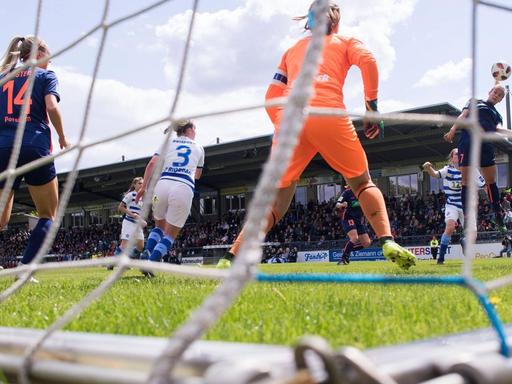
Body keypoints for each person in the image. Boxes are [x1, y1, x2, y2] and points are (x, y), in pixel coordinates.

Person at [216, 1, 416, 270]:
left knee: (277, 201)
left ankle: (230, 258)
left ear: (309, 21)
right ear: (336, 22)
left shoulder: (291, 51)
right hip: (327, 113)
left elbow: (271, 97)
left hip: (290, 119)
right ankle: (387, 240)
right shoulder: (345, 41)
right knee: (362, 182)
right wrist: (371, 108)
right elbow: (368, 60)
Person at [0, 36, 70, 281]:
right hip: (33, 146)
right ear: (40, 53)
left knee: (1, 219)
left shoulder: (3, 77)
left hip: (2, 148)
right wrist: (62, 136)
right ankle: (26, 270)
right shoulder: (45, 76)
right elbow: (51, 107)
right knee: (47, 215)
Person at [136, 120, 204, 276]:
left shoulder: (168, 142)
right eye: (195, 129)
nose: (196, 132)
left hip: (163, 184)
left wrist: (144, 187)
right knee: (170, 234)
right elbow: (198, 175)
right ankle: (151, 262)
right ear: (189, 130)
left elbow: (152, 163)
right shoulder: (199, 147)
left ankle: (146, 253)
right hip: (183, 186)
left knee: (159, 226)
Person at [444, 84, 507, 232]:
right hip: (468, 142)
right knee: (465, 182)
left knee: (491, 182)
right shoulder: (475, 102)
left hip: (485, 144)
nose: (496, 95)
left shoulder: (497, 115)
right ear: (490, 91)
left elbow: (496, 129)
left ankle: (497, 215)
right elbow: (463, 116)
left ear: (500, 100)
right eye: (495, 92)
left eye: (499, 96)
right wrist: (453, 129)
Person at [422, 149, 485, 264]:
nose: (459, 154)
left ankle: (464, 241)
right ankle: (440, 259)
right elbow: (435, 174)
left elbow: (483, 184)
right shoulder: (448, 170)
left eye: (461, 153)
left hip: (467, 206)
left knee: (473, 235)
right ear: (452, 158)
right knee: (450, 227)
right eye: (456, 154)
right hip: (452, 205)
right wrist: (428, 168)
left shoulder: (471, 169)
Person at [108, 177, 146, 269]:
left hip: (137, 225)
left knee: (140, 247)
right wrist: (132, 215)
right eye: (139, 183)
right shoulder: (131, 195)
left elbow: (139, 212)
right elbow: (120, 207)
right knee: (124, 245)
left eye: (143, 183)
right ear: (134, 185)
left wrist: (142, 220)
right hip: (129, 222)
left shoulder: (143, 197)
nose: (141, 185)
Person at [335, 186, 371, 265]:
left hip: (358, 220)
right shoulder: (347, 193)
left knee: (367, 243)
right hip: (348, 218)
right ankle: (343, 259)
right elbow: (337, 204)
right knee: (354, 238)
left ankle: (346, 249)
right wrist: (342, 205)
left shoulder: (363, 193)